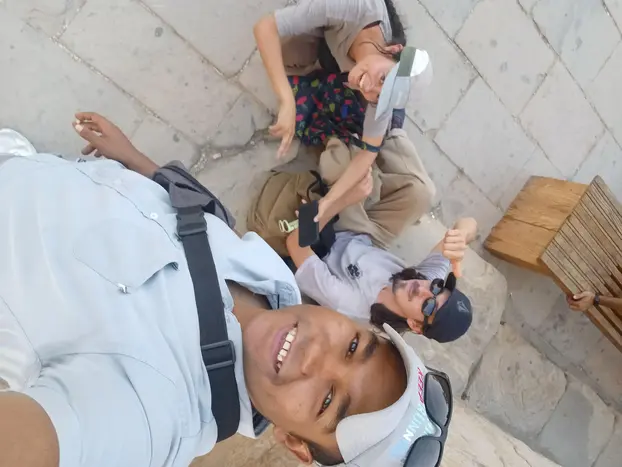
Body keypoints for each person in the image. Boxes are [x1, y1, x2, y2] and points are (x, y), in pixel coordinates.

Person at [0, 114, 446, 467]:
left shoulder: (157, 416)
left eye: (328, 402)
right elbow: (204, 224)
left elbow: (44, 442)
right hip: (31, 162)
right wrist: (134, 158)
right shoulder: (279, 288)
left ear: (294, 443)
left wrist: (335, 203)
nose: (315, 355)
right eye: (353, 346)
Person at [283, 129, 476, 340]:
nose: (424, 290)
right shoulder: (425, 283)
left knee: (346, 172)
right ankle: (380, 130)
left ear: (415, 325)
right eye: (438, 288)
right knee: (420, 193)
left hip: (331, 240)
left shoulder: (354, 305)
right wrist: (461, 237)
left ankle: (336, 130)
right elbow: (469, 223)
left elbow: (295, 244)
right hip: (369, 240)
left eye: (429, 306)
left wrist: (344, 200)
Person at [254, 0, 432, 222]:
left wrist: (328, 203)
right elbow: (265, 27)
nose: (369, 87)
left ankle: (387, 118)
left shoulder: (378, 89)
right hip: (333, 25)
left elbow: (369, 151)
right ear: (393, 50)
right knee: (285, 53)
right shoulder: (354, 8)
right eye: (382, 79)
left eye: (380, 95)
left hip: (337, 56)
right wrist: (286, 100)